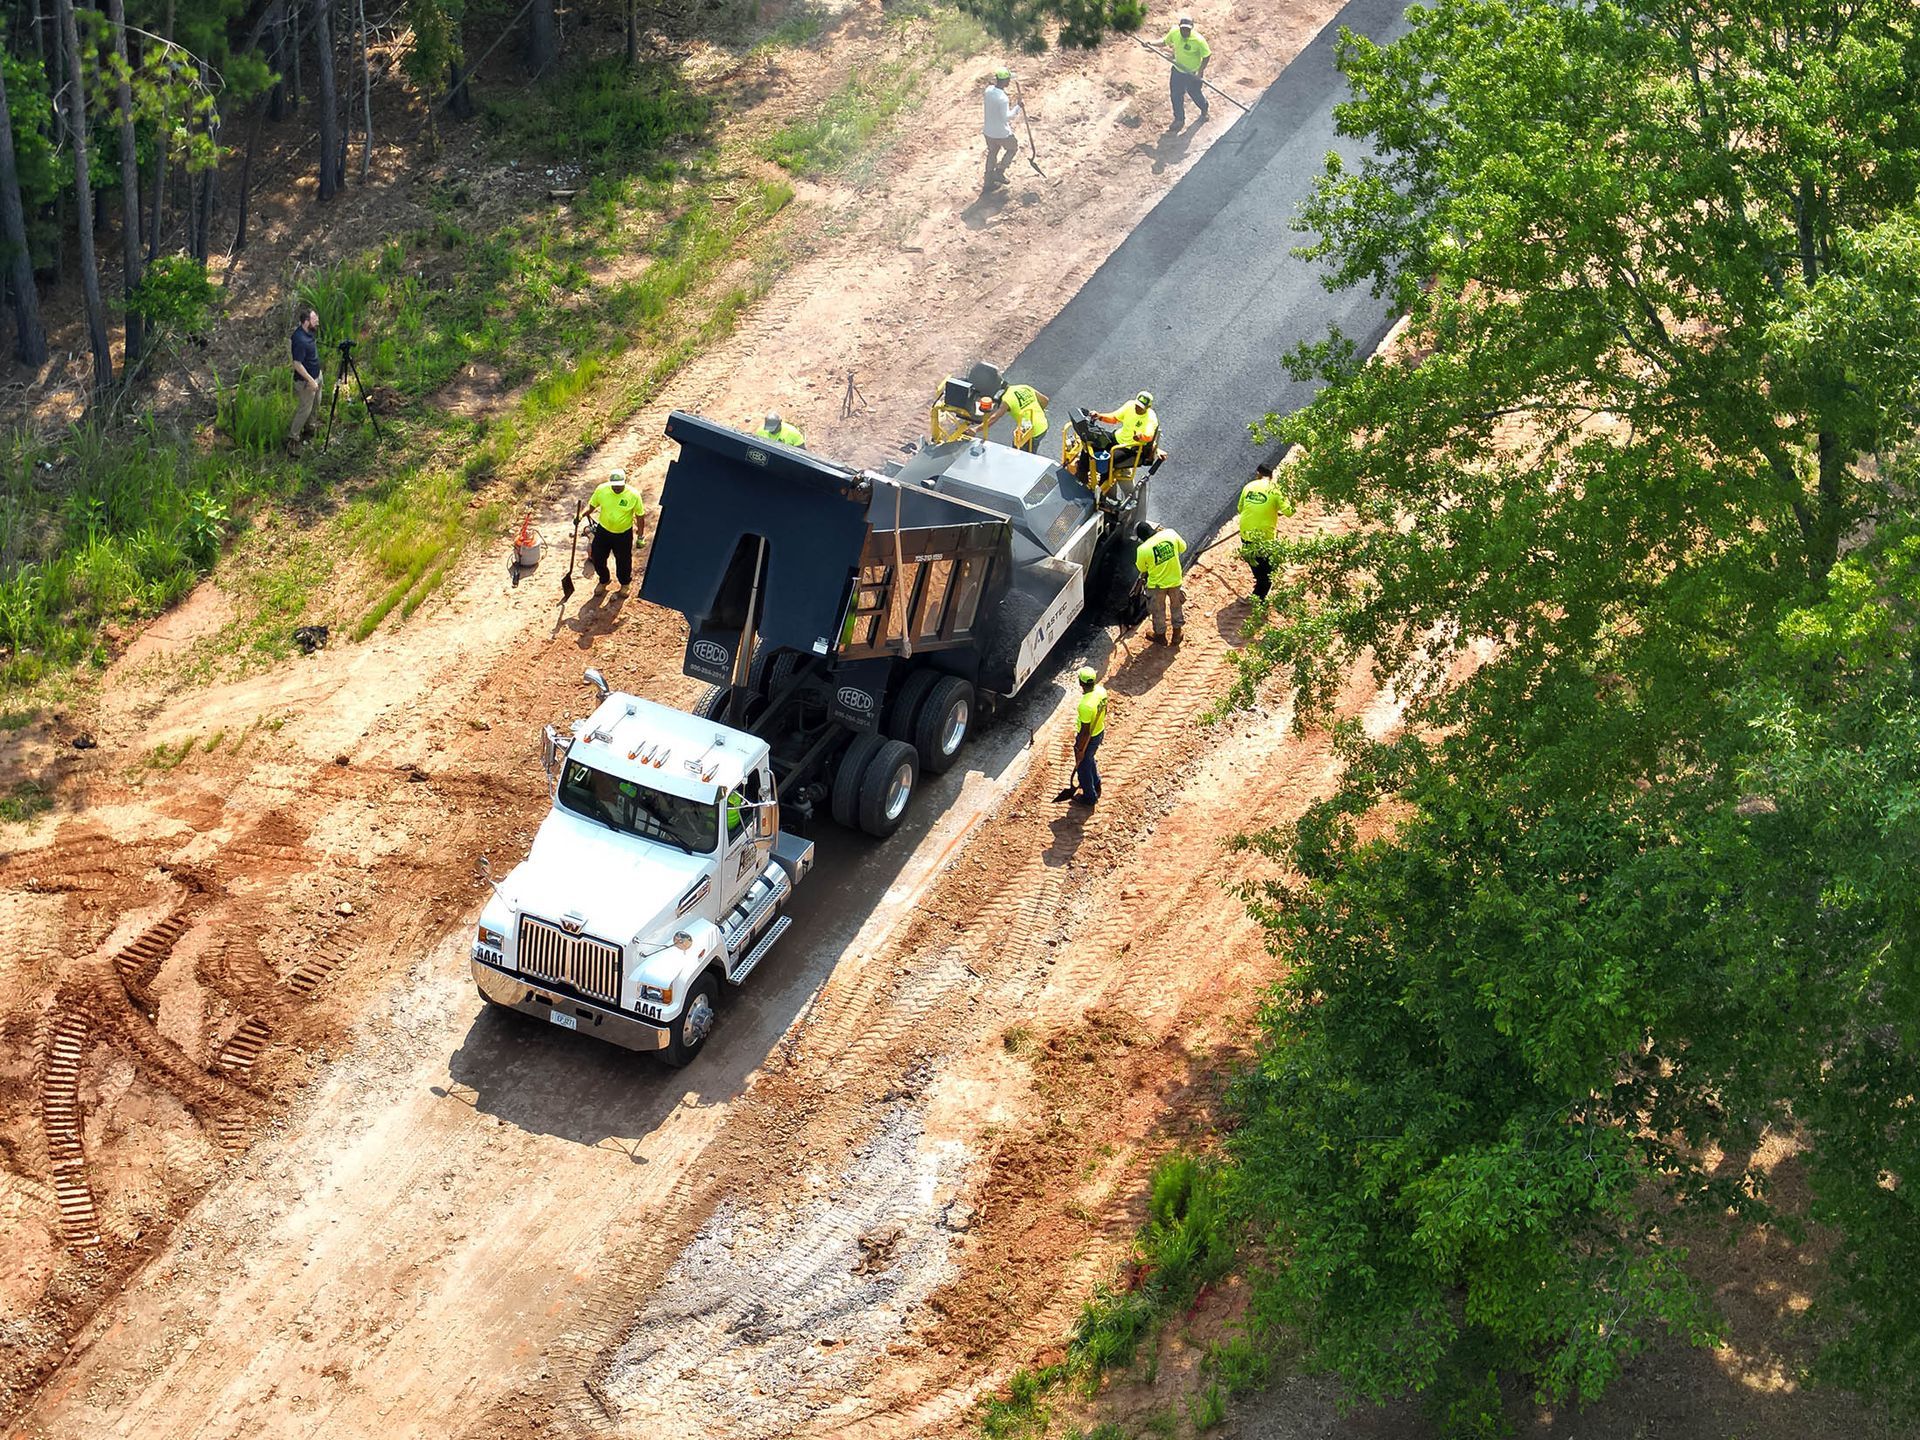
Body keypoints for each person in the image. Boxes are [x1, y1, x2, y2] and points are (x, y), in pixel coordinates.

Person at [581, 468, 646, 595]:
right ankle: (604, 580)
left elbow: (640, 516)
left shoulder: (633, 495)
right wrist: (580, 515)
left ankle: (625, 584)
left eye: (619, 485)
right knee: (597, 557)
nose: (617, 488)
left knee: (623, 560)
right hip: (603, 531)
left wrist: (640, 536)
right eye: (614, 485)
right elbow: (591, 505)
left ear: (625, 481)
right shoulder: (602, 490)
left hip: (623, 534)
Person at [1237, 460, 1293, 600]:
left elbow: (1240, 508)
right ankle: (1259, 597)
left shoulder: (1248, 487)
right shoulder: (1275, 490)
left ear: (1258, 474)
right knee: (1267, 570)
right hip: (1265, 537)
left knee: (1254, 561)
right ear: (1272, 475)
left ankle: (1259, 587)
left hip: (1246, 533)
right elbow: (1289, 512)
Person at [1134, 519, 1188, 642]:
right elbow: (1183, 547)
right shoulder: (1170, 533)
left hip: (1156, 585)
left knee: (1158, 610)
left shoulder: (1143, 549)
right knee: (1176, 606)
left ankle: (1160, 636)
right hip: (1175, 580)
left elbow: (1142, 568)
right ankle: (1177, 635)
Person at [1095, 391, 1164, 477]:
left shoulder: (1151, 418)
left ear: (1148, 407)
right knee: (1092, 441)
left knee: (1108, 461)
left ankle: (1102, 482)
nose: (1137, 408)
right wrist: (1099, 416)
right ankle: (1082, 473)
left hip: (1128, 448)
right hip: (1117, 437)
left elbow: (1149, 436)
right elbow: (1114, 418)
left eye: (1141, 407)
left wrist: (1140, 436)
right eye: (1137, 405)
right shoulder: (1130, 405)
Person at [1162, 14, 1211, 131]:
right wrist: (1150, 44)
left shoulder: (1199, 40)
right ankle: (1179, 119)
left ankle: (1204, 109)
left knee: (1194, 93)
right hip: (1178, 70)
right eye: (1183, 29)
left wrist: (1200, 72)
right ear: (1179, 27)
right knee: (1175, 95)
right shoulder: (1174, 33)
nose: (1185, 31)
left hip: (1192, 73)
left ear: (1192, 28)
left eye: (1187, 29)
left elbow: (1207, 55)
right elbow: (1164, 42)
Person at [1069, 665, 1108, 807]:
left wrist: (1080, 749)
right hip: (1099, 731)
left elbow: (1085, 732)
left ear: (1081, 683)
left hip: (1088, 738)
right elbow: (1105, 710)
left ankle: (1089, 797)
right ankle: (1096, 783)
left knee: (1083, 766)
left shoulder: (1085, 705)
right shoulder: (1101, 691)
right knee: (1090, 759)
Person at [286, 306, 322, 456]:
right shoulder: (299, 339)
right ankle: (292, 440)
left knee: (316, 403)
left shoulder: (309, 332)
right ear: (306, 322)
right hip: (306, 382)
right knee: (304, 410)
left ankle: (310, 428)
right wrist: (310, 380)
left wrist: (318, 375)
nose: (317, 321)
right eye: (315, 319)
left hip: (317, 376)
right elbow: (297, 364)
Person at [982, 67, 1021, 193]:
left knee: (992, 152)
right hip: (1001, 133)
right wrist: (1018, 107)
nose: (1009, 82)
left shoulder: (988, 91)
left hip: (988, 132)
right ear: (1005, 81)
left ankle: (988, 181)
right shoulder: (1003, 98)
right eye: (1008, 79)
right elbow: (1007, 117)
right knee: (1012, 148)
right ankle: (999, 171)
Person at [984, 379, 1050, 452]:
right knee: (1018, 447)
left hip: (1032, 432)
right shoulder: (1024, 387)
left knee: (1023, 454)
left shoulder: (1006, 399)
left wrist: (976, 429)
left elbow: (994, 418)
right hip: (1043, 424)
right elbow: (1045, 400)